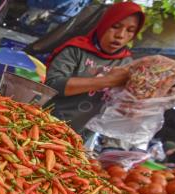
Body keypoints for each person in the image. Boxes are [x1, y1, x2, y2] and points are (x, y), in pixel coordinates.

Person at [45, 2, 145, 139]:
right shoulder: (76, 49)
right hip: (47, 123)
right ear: (104, 24)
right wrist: (108, 81)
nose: (120, 35)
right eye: (115, 26)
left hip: (80, 136)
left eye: (130, 30)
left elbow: (124, 103)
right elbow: (52, 85)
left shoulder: (126, 64)